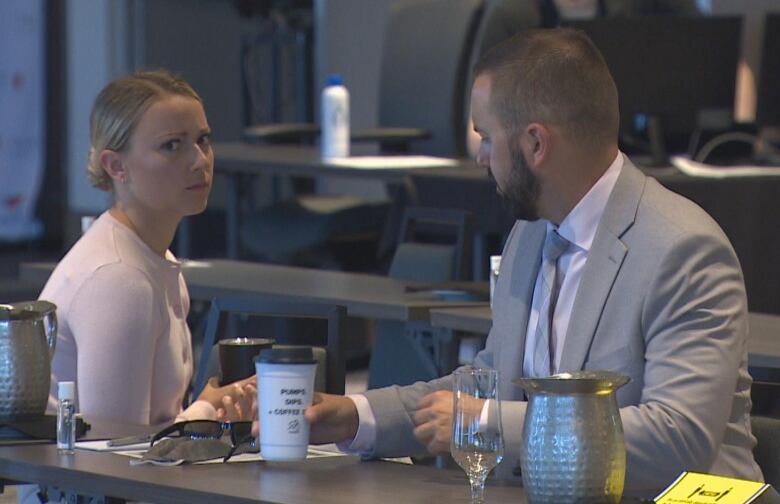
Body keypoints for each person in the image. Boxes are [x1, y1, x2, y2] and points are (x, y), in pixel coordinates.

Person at [278, 29, 762, 498]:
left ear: (535, 143)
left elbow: (676, 441)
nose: (481, 158)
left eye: (486, 137)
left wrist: (485, 424)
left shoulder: (683, 250)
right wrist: (359, 416)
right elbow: (486, 385)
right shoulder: (530, 235)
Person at [39, 69, 254, 425]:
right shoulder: (118, 279)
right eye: (172, 145)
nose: (200, 160)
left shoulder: (154, 258)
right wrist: (206, 409)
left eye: (203, 140)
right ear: (116, 166)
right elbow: (112, 454)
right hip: (80, 480)